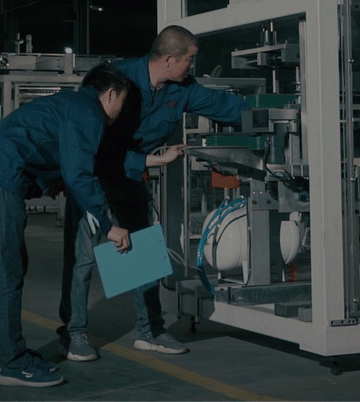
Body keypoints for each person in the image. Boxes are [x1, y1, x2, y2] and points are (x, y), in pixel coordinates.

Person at [59, 25, 248, 360]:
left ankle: (150, 332)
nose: (192, 65)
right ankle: (74, 333)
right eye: (189, 59)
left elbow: (224, 106)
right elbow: (88, 136)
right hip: (93, 178)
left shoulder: (182, 87)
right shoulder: (117, 79)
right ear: (170, 59)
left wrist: (277, 109)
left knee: (141, 256)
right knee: (83, 259)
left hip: (130, 179)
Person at [0, 62, 133, 387]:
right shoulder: (89, 112)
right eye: (123, 102)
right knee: (6, 273)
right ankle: (13, 365)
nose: (121, 111)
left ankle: (14, 355)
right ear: (111, 94)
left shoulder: (72, 104)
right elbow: (78, 173)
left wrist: (51, 179)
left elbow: (53, 151)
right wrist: (108, 225)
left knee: (12, 268)